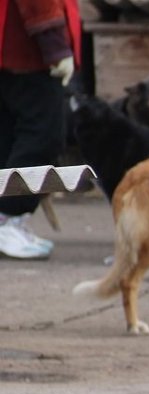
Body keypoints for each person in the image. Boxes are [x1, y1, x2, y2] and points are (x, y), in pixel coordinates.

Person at [0, 0, 80, 259]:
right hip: (28, 52)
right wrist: (56, 47)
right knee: (43, 136)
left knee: (9, 135)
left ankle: (7, 219)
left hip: (11, 45)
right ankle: (8, 218)